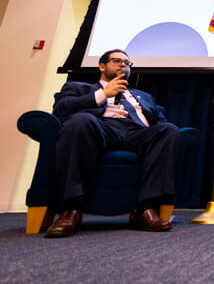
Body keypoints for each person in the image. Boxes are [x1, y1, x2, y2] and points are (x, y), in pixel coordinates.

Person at [45, 49, 180, 238]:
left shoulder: (143, 96)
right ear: (102, 66)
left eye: (127, 63)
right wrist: (103, 94)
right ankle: (71, 210)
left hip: (135, 132)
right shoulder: (78, 87)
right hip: (100, 128)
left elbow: (160, 121)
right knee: (79, 121)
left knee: (169, 131)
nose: (123, 65)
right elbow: (60, 110)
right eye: (117, 61)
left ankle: (144, 208)